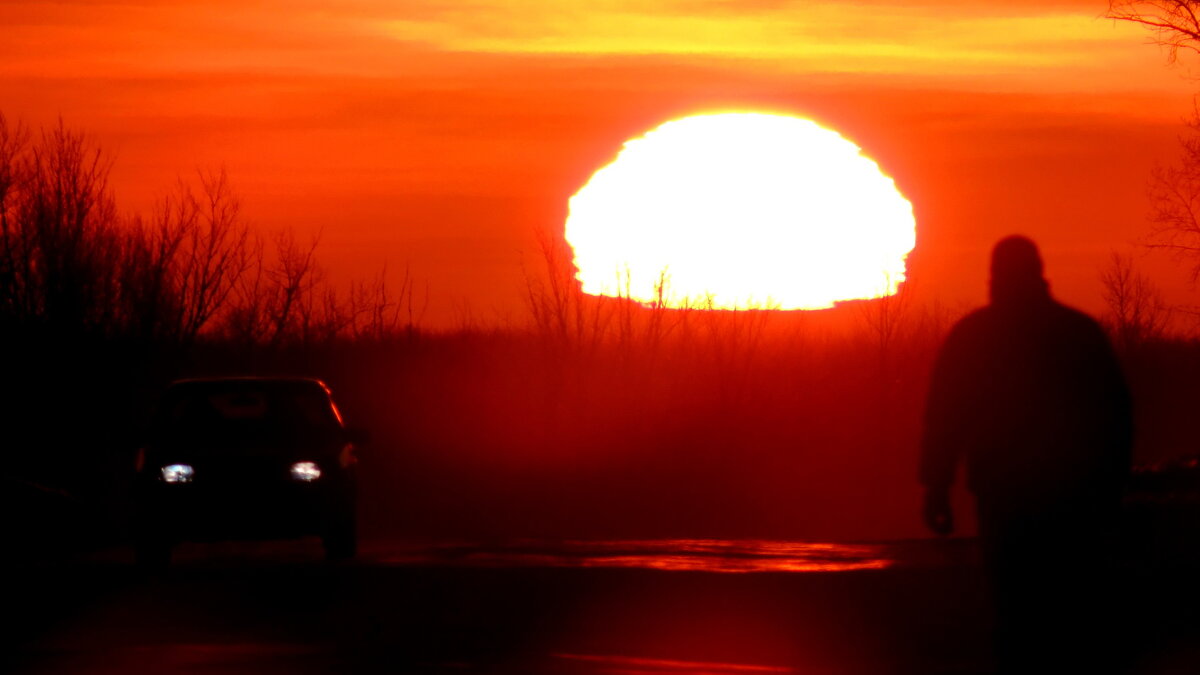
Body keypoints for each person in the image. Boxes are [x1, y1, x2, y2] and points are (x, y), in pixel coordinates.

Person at [919, 235, 1132, 673]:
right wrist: (1111, 487)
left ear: (994, 277)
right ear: (1040, 272)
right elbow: (1115, 417)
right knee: (1070, 615)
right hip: (1072, 499)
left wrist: (937, 487)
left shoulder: (974, 337)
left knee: (1014, 614)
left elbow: (945, 416)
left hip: (1007, 497)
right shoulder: (1077, 333)